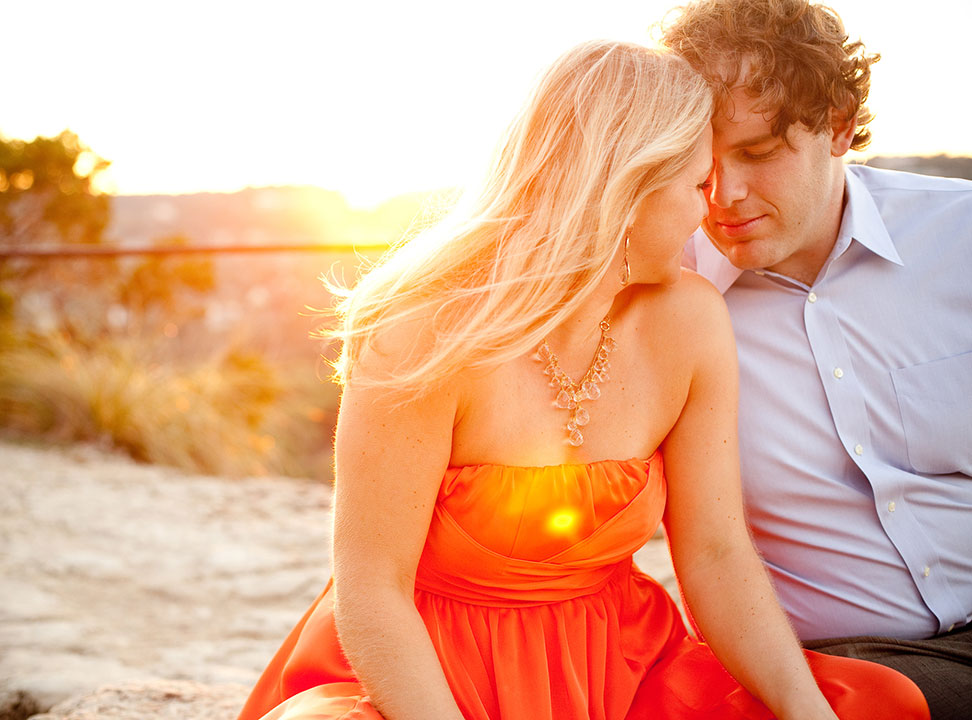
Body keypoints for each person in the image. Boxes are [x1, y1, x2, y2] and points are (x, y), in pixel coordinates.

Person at [236, 40, 927, 720]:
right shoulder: (425, 333)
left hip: (619, 670)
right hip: (420, 673)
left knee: (871, 706)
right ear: (629, 189)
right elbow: (371, 592)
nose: (709, 210)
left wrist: (808, 714)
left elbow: (716, 553)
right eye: (696, 183)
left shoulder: (691, 321)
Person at [661, 1, 972, 718]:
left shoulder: (959, 237)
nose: (723, 197)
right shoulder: (665, 295)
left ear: (839, 123)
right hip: (841, 669)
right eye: (700, 166)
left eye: (758, 152)